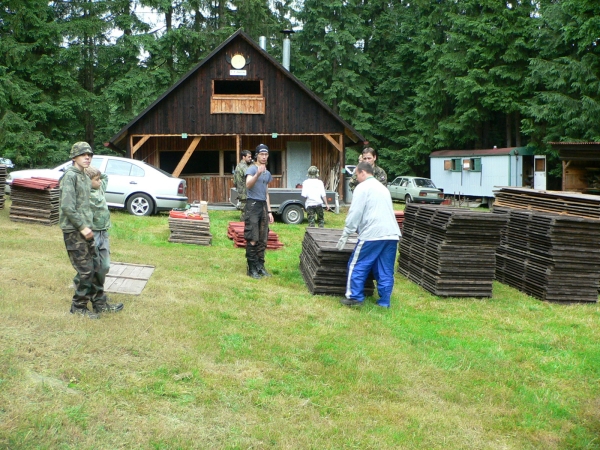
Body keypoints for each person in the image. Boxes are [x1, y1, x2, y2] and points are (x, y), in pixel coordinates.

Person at [59, 142, 122, 319]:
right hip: (74, 230)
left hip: (87, 229)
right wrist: (82, 227)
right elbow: (67, 207)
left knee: (96, 267)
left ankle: (99, 304)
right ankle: (78, 307)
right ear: (74, 157)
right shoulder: (70, 176)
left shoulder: (85, 177)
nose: (87, 157)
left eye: (90, 155)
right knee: (86, 270)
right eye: (83, 154)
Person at [336, 161, 400, 308]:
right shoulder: (383, 188)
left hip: (372, 234)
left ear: (363, 172)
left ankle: (354, 297)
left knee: (357, 264)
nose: (356, 178)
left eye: (357, 175)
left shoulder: (362, 187)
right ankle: (384, 301)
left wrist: (346, 233)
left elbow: (355, 212)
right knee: (385, 269)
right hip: (391, 234)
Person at [85, 166, 123, 313]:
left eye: (99, 179)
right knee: (92, 266)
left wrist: (92, 169)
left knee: (104, 266)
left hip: (103, 233)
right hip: (92, 233)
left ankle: (91, 289)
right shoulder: (84, 194)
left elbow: (105, 177)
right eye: (96, 179)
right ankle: (91, 294)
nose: (100, 181)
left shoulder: (100, 188)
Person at [244, 143, 274, 279]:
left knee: (263, 238)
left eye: (266, 154)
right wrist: (257, 174)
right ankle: (251, 268)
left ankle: (260, 266)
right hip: (252, 205)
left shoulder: (267, 173)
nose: (264, 157)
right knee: (253, 237)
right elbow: (248, 185)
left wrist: (269, 211)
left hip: (263, 205)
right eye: (261, 154)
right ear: (257, 155)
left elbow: (266, 192)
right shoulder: (251, 169)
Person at [233, 150, 253, 221]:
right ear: (243, 157)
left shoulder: (238, 166)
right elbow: (250, 176)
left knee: (244, 211)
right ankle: (244, 225)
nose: (250, 158)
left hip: (241, 192)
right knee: (246, 212)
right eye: (249, 157)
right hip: (245, 192)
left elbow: (235, 181)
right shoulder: (244, 166)